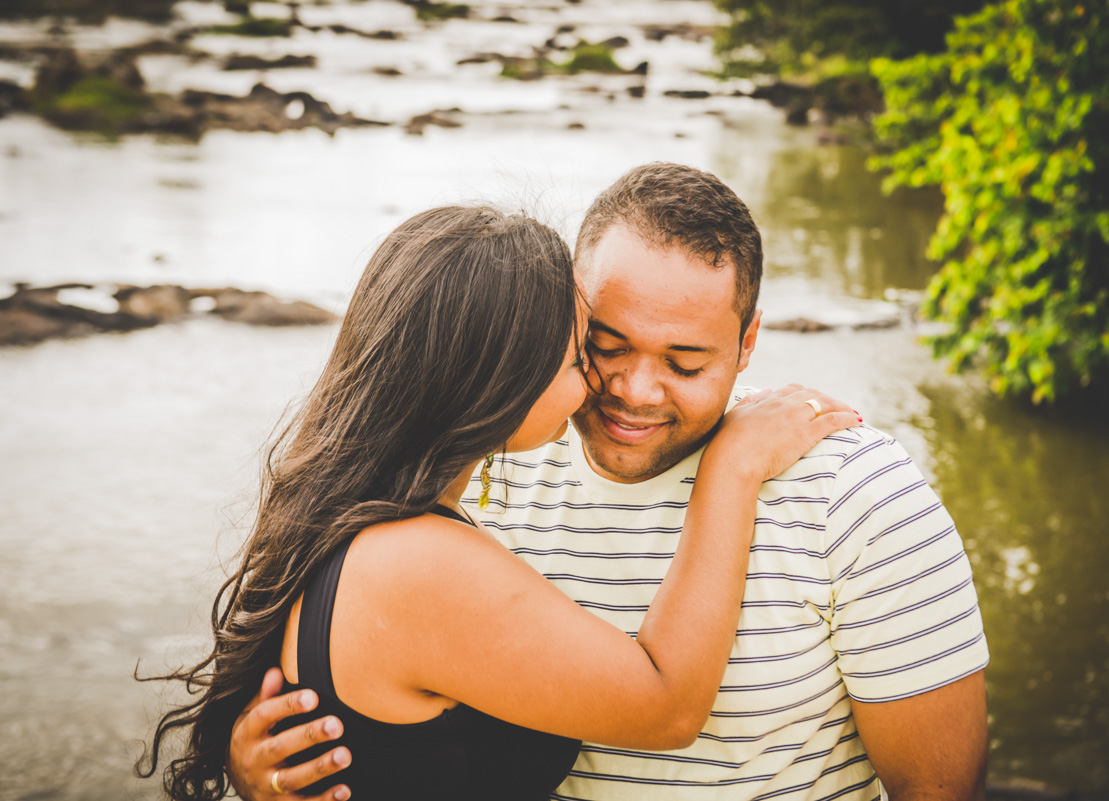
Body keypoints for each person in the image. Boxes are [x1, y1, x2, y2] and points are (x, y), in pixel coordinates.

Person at [228, 164, 991, 801]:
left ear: (749, 339)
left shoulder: (856, 494)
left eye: (686, 362)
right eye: (599, 347)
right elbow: (661, 702)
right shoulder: (496, 468)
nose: (634, 389)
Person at [137, 204, 861, 801]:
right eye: (585, 353)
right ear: (499, 376)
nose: (603, 386)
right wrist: (733, 466)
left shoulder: (362, 517)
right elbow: (668, 702)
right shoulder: (416, 563)